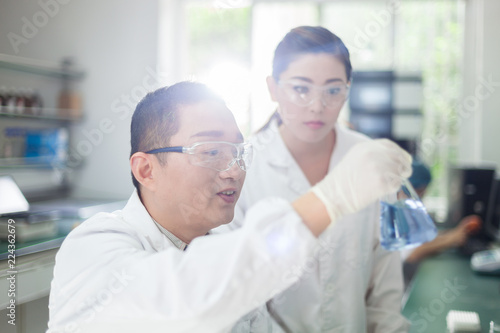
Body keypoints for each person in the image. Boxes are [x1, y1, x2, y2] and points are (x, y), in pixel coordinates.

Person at [47, 81, 411, 333]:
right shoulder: (93, 249)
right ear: (146, 169)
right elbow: (188, 298)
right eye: (210, 152)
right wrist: (331, 199)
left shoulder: (217, 241)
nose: (235, 169)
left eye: (238, 151)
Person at [223, 26, 410, 332]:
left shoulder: (367, 160)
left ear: (348, 89)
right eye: (301, 88)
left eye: (333, 90)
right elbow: (233, 291)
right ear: (273, 88)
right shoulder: (241, 168)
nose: (317, 106)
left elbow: (385, 286)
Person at [401, 159, 481, 285]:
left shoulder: (409, 208)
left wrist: (454, 233)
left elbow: (423, 239)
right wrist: (451, 239)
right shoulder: (397, 211)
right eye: (422, 189)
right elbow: (412, 254)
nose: (424, 193)